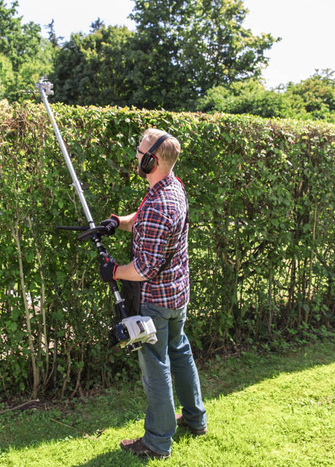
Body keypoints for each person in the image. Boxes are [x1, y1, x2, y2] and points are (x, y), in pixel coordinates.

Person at [99, 127, 207, 460]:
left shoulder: (160, 203)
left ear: (153, 159)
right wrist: (119, 221)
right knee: (180, 350)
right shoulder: (172, 189)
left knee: (156, 365)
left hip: (156, 302)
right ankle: (195, 418)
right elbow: (146, 219)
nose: (135, 156)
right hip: (178, 295)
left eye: (139, 152)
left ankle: (158, 442)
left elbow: (144, 269)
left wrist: (114, 271)